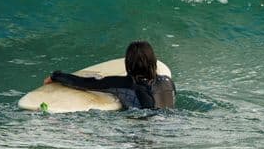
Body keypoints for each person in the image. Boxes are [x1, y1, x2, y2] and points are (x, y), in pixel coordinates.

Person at [43, 41, 175, 110]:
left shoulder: (128, 84)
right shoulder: (168, 81)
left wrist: (56, 76)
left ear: (128, 63)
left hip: (145, 132)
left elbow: (86, 83)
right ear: (153, 60)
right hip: (170, 124)